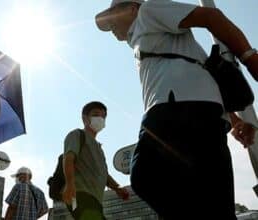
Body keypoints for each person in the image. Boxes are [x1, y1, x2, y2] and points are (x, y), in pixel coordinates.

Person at [95, 0, 258, 219]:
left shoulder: (148, 12)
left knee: (145, 174)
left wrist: (249, 57)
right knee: (215, 202)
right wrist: (236, 121)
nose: (110, 27)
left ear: (132, 8)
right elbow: (202, 77)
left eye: (112, 16)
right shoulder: (164, 43)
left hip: (172, 111)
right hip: (207, 118)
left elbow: (212, 17)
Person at [62, 101, 129, 220]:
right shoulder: (77, 135)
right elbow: (68, 158)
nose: (100, 119)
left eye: (103, 117)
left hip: (95, 200)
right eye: (96, 114)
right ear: (85, 118)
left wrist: (117, 188)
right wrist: (70, 184)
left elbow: (104, 174)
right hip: (79, 195)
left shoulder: (99, 148)